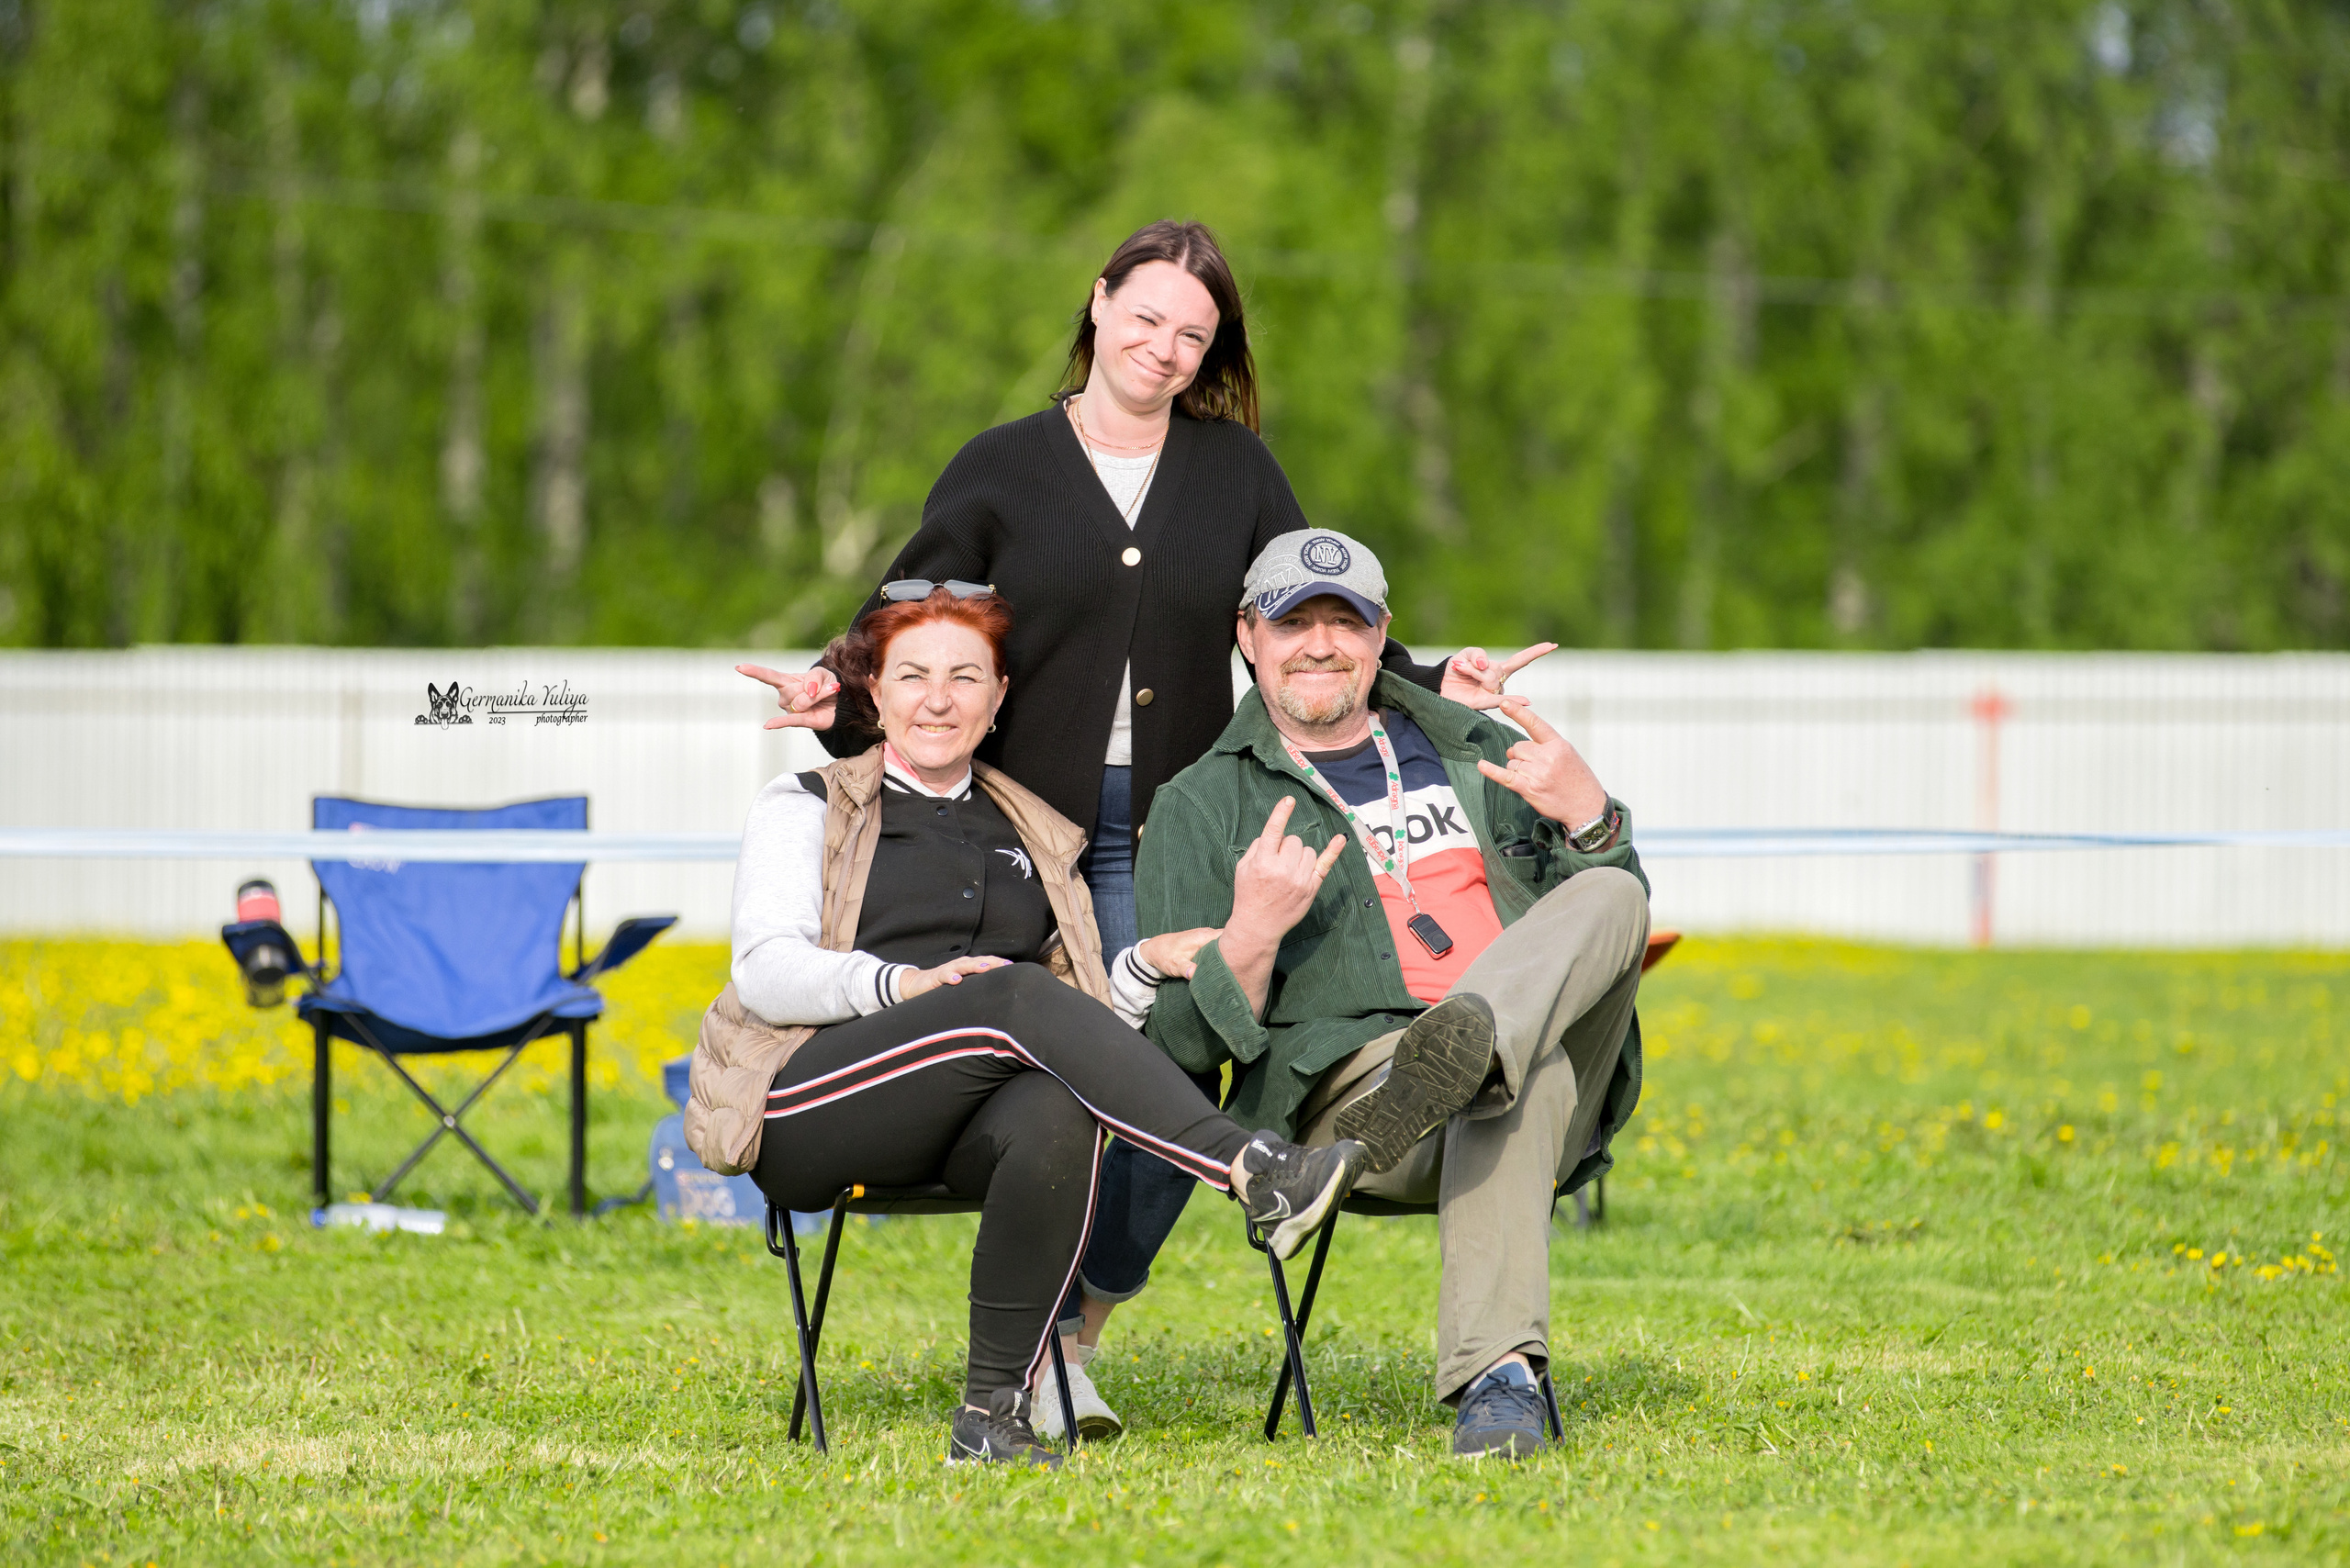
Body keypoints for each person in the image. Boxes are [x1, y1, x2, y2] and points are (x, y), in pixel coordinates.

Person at [735, 218, 1559, 1439]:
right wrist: (837, 693)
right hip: (1036, 833)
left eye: (1195, 333)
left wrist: (1443, 685)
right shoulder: (1004, 466)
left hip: (1184, 826)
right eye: (1147, 317)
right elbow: (912, 615)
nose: (1166, 348)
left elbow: (1315, 623)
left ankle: (1074, 1337)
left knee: (1180, 1049)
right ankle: (1035, 1353)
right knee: (1077, 1065)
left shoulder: (1234, 472)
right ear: (1098, 300)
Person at [683, 584, 1366, 1469]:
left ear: (1000, 697)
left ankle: (991, 1415)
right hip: (806, 1100)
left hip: (957, 1112)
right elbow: (763, 974)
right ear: (874, 695)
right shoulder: (807, 803)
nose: (939, 698)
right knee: (1002, 994)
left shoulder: (1034, 830)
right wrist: (905, 985)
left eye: (966, 677)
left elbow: (1063, 1016)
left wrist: (1142, 964)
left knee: (1054, 1106)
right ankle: (1250, 1168)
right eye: (914, 676)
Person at [1130, 527, 1651, 1460]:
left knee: (1609, 890)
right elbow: (1176, 1051)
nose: (1321, 642)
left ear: (1381, 637)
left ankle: (1469, 1045)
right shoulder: (1200, 803)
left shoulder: (1476, 748)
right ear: (1247, 635)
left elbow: (1601, 937)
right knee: (1514, 1084)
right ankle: (1499, 1382)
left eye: (1346, 620)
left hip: (1548, 1064)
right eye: (1295, 621)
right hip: (1349, 1114)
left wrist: (1588, 817)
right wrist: (1250, 933)